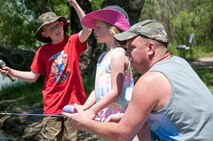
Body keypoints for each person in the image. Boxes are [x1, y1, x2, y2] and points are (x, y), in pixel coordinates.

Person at [63, 20, 213, 141]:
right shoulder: (179, 62)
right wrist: (126, 117)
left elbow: (122, 136)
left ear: (150, 48)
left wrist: (86, 123)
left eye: (131, 48)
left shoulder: (150, 80)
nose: (126, 54)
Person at [0, 0, 91, 140]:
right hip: (52, 106)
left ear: (62, 24)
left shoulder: (72, 42)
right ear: (45, 33)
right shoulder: (42, 52)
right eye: (50, 28)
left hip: (74, 105)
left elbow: (88, 29)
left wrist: (75, 5)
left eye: (57, 25)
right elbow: (33, 76)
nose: (56, 29)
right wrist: (12, 72)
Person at [71, 5, 134, 123]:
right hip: (105, 114)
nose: (94, 30)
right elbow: (97, 91)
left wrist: (92, 111)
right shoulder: (102, 57)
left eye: (98, 27)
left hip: (119, 116)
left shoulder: (118, 55)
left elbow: (116, 92)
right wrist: (85, 107)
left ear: (112, 29)